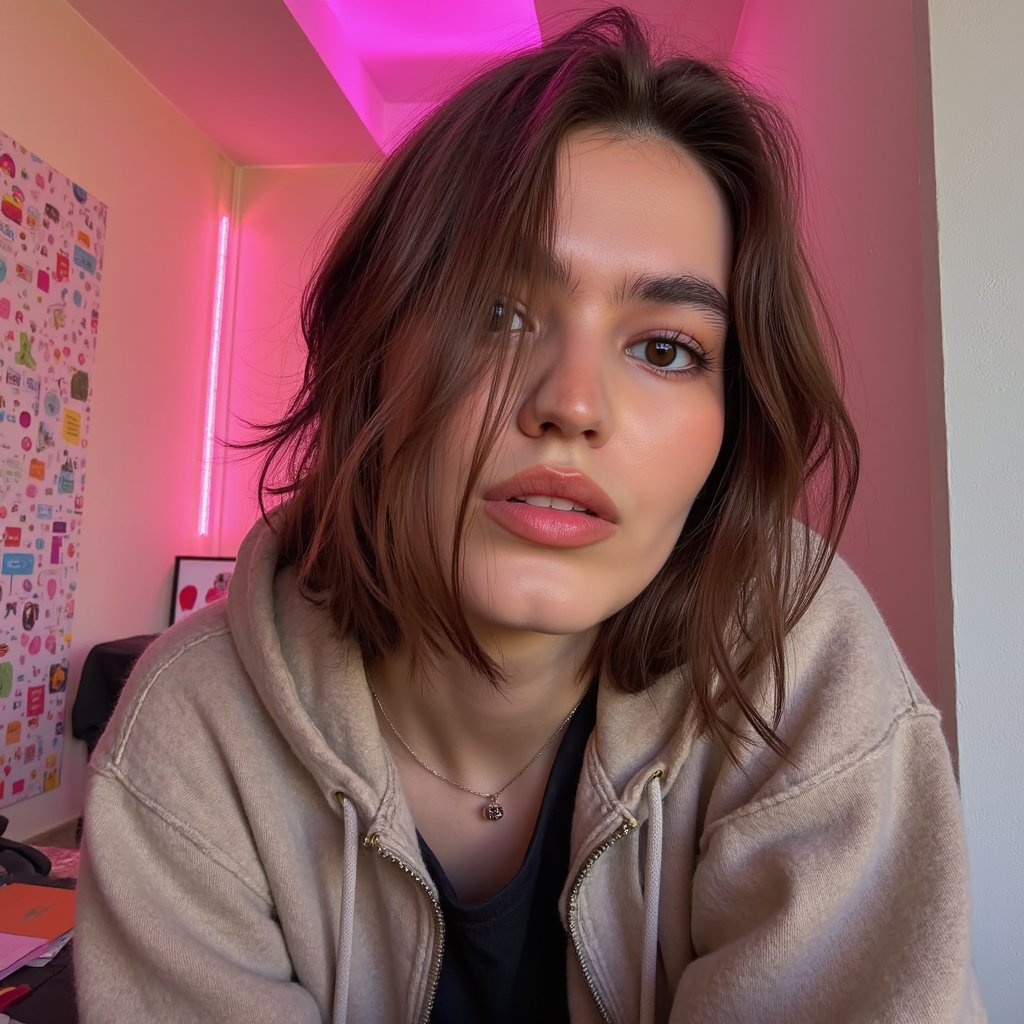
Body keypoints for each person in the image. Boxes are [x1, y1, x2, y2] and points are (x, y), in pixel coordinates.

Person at [75, 8, 984, 1023]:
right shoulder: (193, 731)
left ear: (728, 431)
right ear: (372, 356)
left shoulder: (795, 664)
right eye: (496, 314)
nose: (573, 404)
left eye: (667, 348)